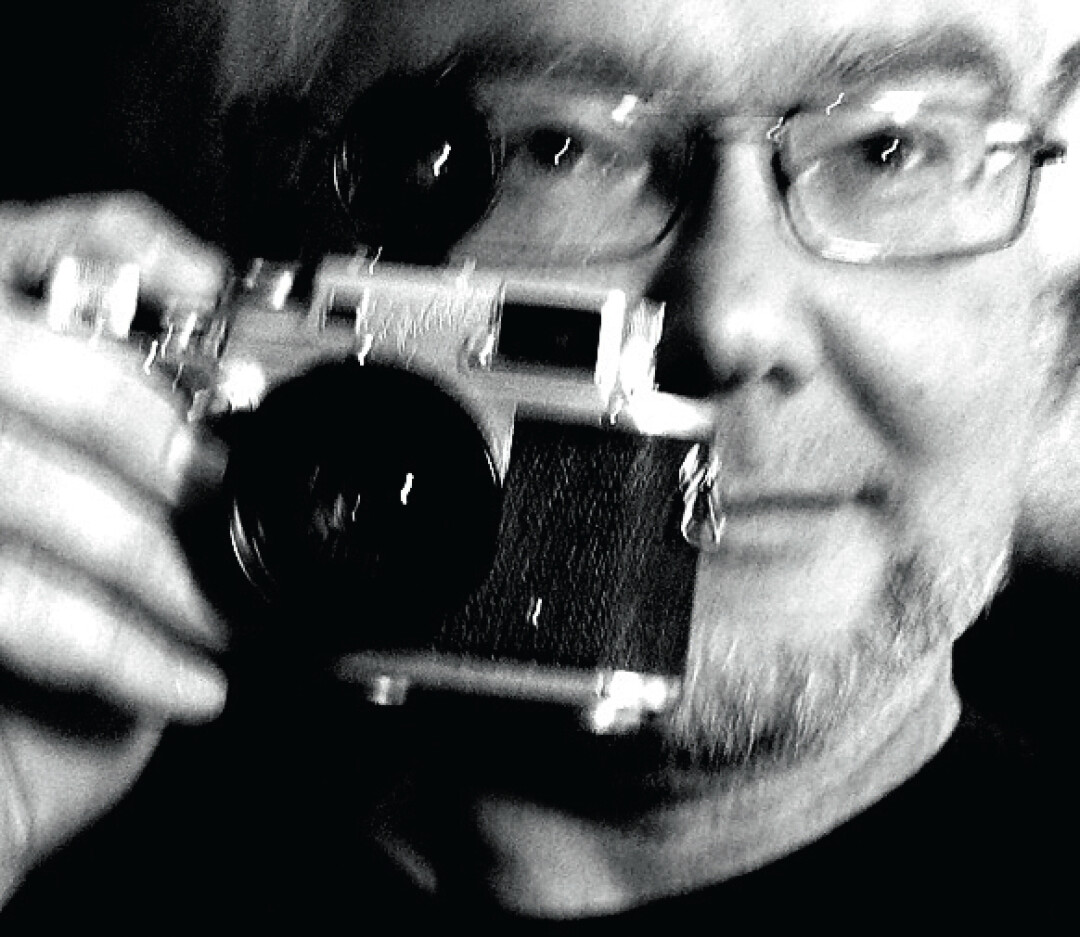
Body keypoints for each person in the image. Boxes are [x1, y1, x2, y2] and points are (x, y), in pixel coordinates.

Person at [0, 0, 1077, 927]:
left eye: (890, 150)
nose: (733, 320)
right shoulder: (65, 794)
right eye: (555, 150)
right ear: (281, 204)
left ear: (1058, 285)